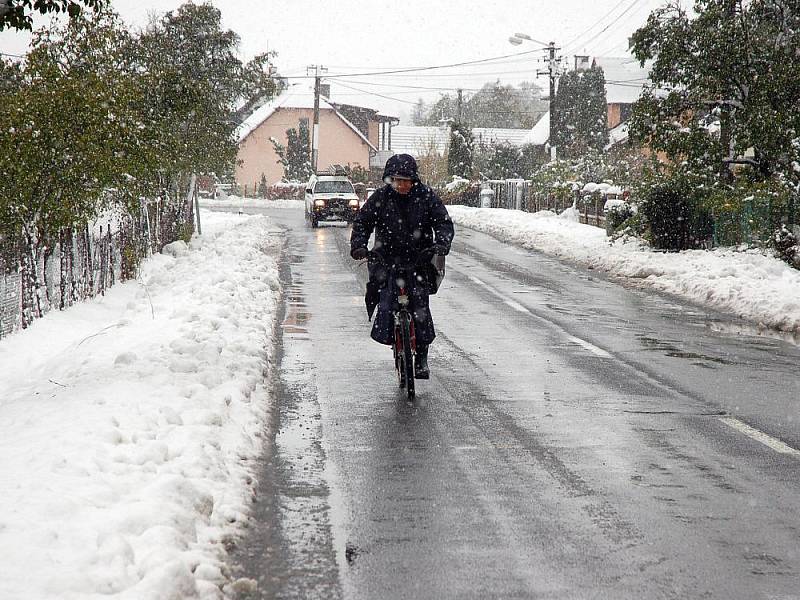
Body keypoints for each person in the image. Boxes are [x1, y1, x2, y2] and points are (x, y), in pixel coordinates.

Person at [350, 153, 454, 379]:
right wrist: (358, 245)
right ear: (389, 180)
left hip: (419, 258)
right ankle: (393, 339)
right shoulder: (380, 198)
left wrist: (441, 244)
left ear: (414, 180)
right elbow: (362, 222)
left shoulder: (426, 197)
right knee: (386, 300)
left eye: (406, 180)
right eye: (397, 180)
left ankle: (422, 356)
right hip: (386, 258)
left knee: (420, 306)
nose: (402, 185)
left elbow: (442, 222)